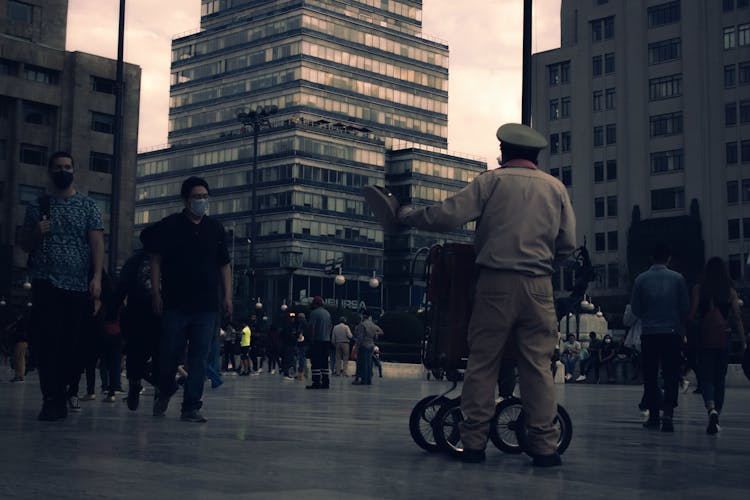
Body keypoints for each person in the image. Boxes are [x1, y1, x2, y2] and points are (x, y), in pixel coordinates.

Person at [394, 123, 576, 466]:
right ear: (536, 156)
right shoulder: (556, 189)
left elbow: (449, 215)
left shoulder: (492, 182)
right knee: (537, 366)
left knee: (483, 363)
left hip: (496, 283)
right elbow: (566, 244)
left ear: (503, 152)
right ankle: (544, 446)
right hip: (540, 286)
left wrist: (408, 216)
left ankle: (474, 442)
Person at [19, 151, 104, 421]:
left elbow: (96, 243)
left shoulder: (88, 206)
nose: (63, 171)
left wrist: (97, 277)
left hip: (77, 285)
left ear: (74, 171)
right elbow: (24, 244)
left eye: (67, 166)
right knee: (49, 343)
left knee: (73, 344)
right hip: (46, 282)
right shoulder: (38, 205)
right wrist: (36, 232)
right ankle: (50, 398)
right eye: (58, 167)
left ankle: (66, 387)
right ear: (49, 171)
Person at [140, 176, 232, 423]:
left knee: (199, 358)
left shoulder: (215, 229)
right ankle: (165, 387)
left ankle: (191, 405)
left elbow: (224, 265)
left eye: (204, 196)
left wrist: (227, 297)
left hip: (206, 304)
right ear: (185, 200)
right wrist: (157, 292)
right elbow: (154, 256)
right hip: (176, 302)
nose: (201, 201)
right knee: (169, 353)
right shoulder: (171, 225)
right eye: (196, 197)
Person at [630, 244, 689, 433]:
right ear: (669, 258)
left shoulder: (641, 280)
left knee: (651, 375)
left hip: (649, 333)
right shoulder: (678, 279)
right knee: (671, 374)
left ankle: (654, 416)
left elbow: (636, 310)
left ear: (651, 258)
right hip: (672, 332)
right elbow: (685, 307)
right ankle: (669, 414)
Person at [687, 257, 747, 435]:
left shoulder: (699, 289)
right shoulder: (730, 291)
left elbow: (691, 314)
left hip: (705, 337)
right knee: (720, 378)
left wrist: (693, 328)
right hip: (724, 337)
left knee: (706, 377)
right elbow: (736, 317)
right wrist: (743, 340)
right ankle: (717, 415)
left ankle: (710, 408)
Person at [114, 249, 161, 410]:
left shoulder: (170, 258)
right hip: (138, 316)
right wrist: (113, 309)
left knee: (160, 357)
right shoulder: (135, 261)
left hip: (160, 317)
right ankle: (135, 385)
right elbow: (122, 285)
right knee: (136, 357)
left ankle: (157, 392)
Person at [306, 296, 332, 389]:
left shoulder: (314, 313)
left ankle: (316, 382)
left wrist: (311, 339)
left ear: (315, 304)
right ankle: (326, 382)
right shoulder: (327, 313)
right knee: (324, 362)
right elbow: (330, 326)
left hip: (317, 341)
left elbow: (312, 328)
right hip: (326, 341)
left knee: (316, 362)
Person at [352, 312, 383, 386]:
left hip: (364, 345)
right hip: (371, 345)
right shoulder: (373, 325)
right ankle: (368, 380)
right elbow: (376, 336)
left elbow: (360, 337)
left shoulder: (362, 325)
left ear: (363, 316)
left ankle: (363, 380)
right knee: (369, 363)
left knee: (362, 363)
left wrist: (356, 347)